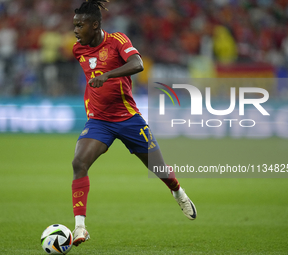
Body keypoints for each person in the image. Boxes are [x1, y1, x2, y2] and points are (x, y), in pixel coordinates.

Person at [71, 0, 197, 247]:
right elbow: (90, 80)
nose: (75, 31)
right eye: (74, 25)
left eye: (80, 25)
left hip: (129, 119)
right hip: (100, 121)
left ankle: (178, 192)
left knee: (160, 170)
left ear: (95, 25)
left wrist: (107, 76)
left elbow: (138, 64)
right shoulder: (79, 50)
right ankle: (79, 228)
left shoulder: (118, 40)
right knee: (79, 163)